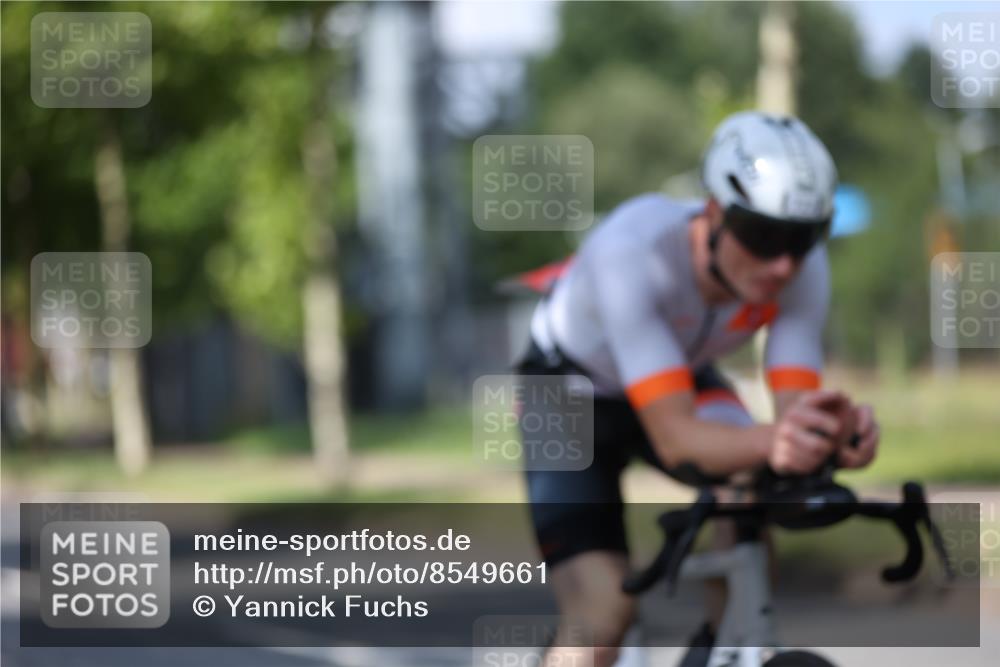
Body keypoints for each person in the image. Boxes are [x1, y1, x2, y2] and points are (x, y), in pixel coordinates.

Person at [515, 111, 881, 667]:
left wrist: (830, 436)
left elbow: (792, 419)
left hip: (675, 377)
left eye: (805, 238)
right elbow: (677, 439)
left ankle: (728, 646)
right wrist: (776, 440)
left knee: (755, 480)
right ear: (714, 212)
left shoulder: (801, 269)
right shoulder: (633, 253)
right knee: (603, 611)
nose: (783, 263)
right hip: (568, 393)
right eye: (763, 235)